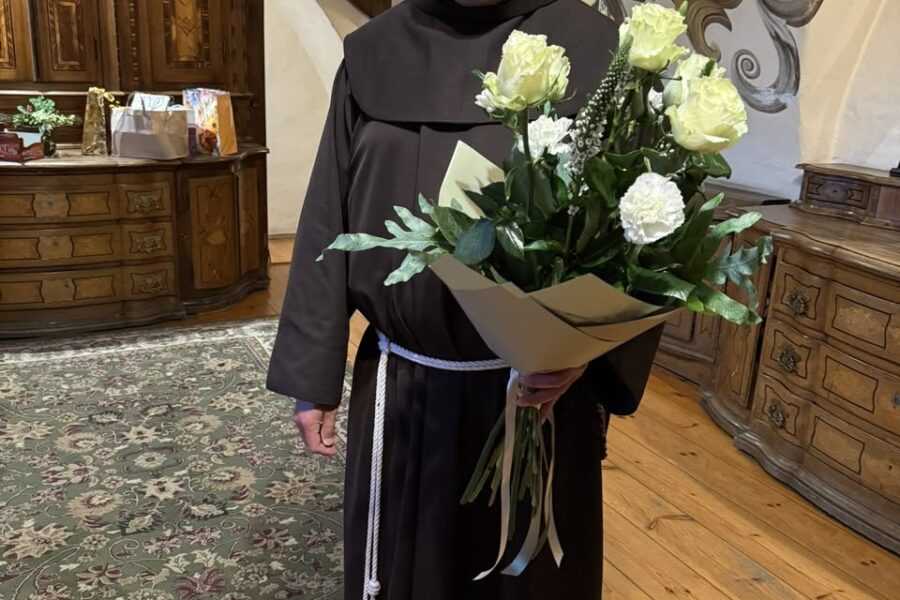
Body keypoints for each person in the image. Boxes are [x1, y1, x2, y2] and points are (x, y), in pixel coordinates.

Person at [267, 0, 663, 598]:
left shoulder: (596, 49)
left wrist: (589, 353)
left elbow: (645, 227)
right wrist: (312, 378)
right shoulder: (375, 54)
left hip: (540, 397)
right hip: (405, 388)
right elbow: (330, 213)